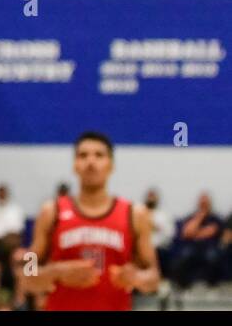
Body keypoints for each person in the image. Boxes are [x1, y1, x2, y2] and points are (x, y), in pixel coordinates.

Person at [29, 131, 160, 310]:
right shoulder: (51, 211)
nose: (91, 162)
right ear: (75, 165)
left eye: (99, 155)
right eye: (83, 155)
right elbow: (26, 274)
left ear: (111, 165)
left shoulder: (134, 214)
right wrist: (55, 272)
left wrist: (136, 278)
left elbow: (154, 277)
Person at [172, 191, 223, 288]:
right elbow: (186, 233)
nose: (204, 204)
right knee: (183, 258)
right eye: (202, 203)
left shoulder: (215, 218)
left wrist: (195, 233)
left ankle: (212, 285)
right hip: (192, 247)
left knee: (213, 257)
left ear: (210, 203)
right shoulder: (191, 217)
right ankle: (183, 286)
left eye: (206, 202)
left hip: (209, 247)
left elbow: (211, 231)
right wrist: (200, 216)